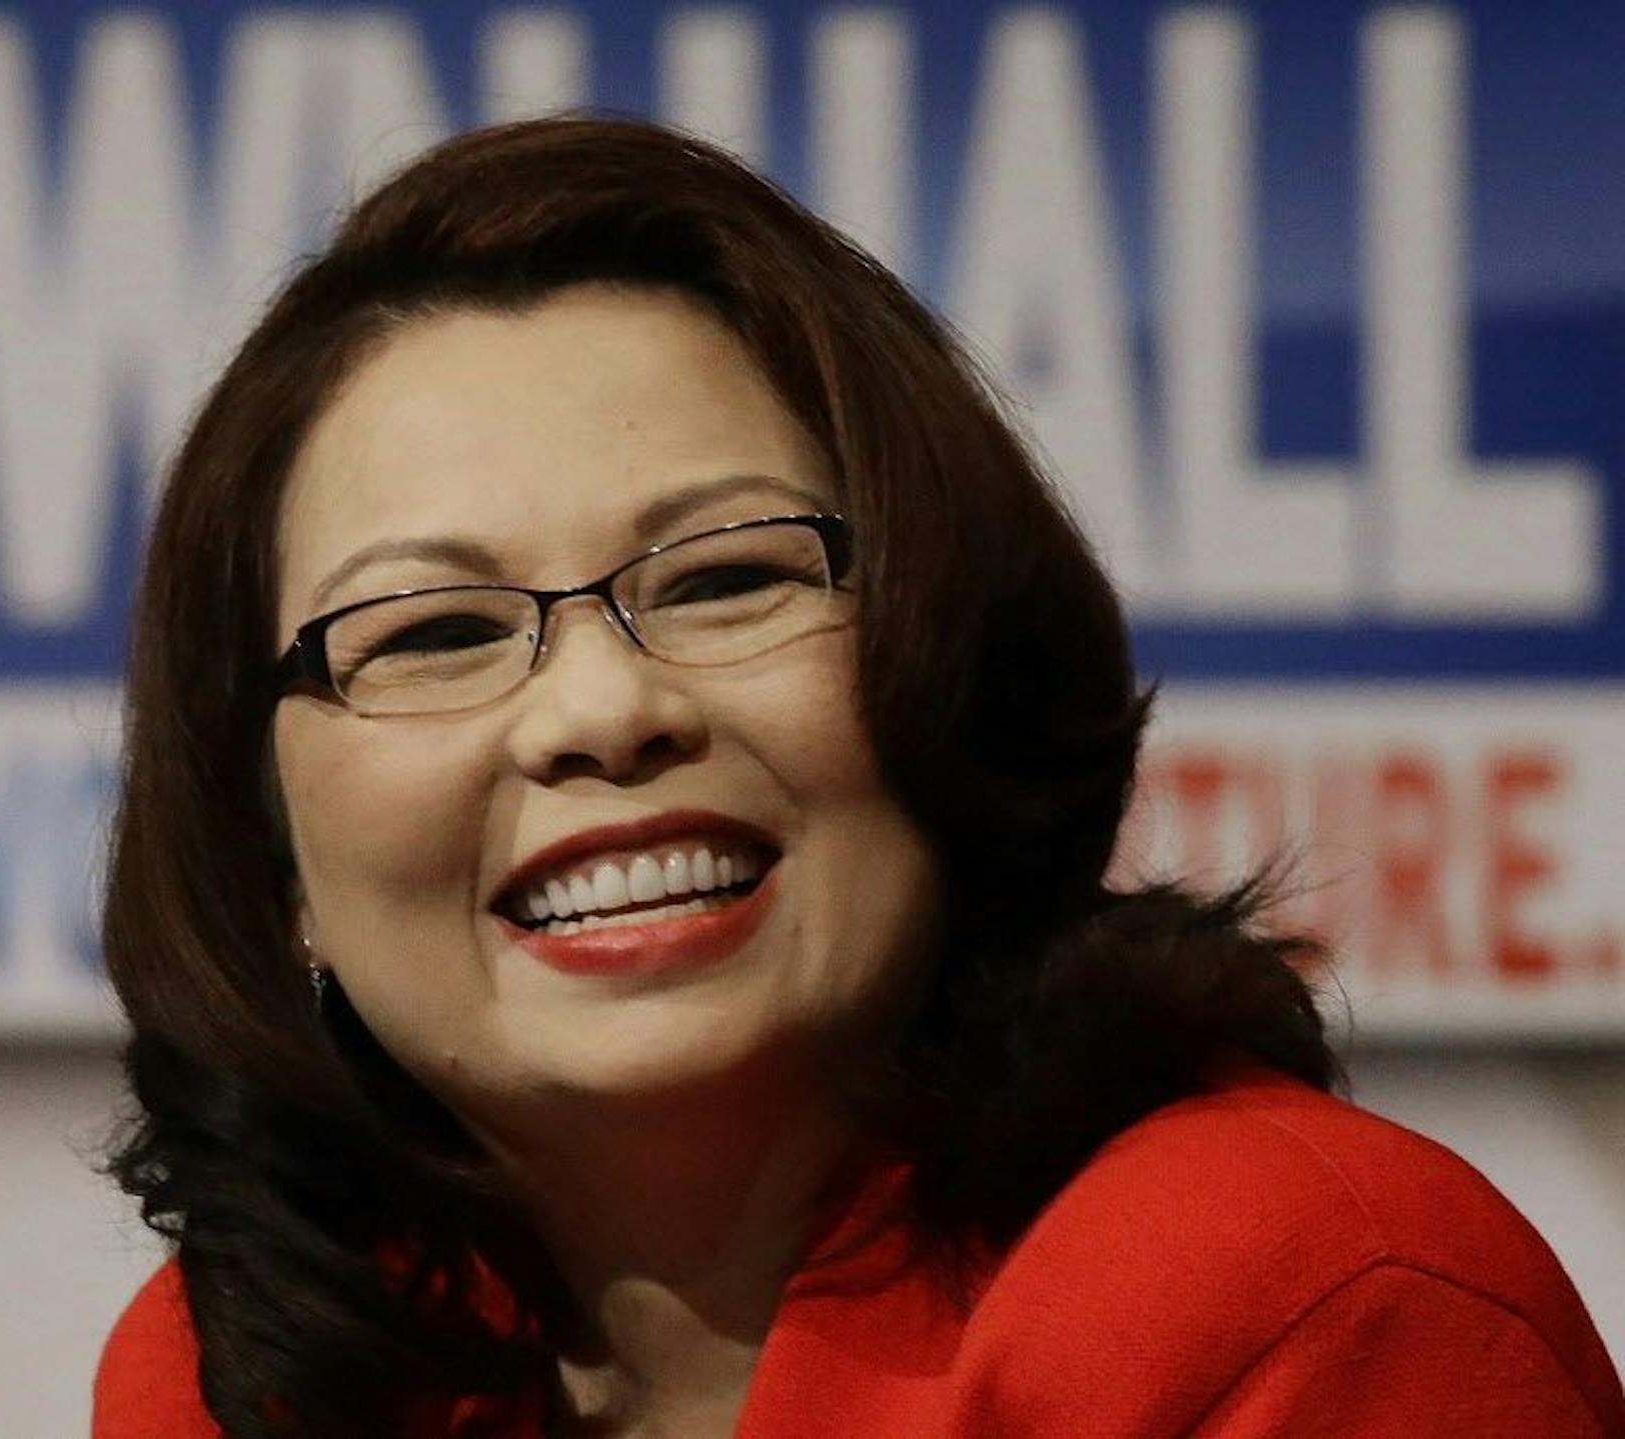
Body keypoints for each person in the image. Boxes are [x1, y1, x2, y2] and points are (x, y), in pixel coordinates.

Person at [91, 118, 1623, 1437]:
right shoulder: (252, 1376)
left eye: (726, 580)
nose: (604, 708)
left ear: (949, 667)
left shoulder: (1290, 1300)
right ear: (272, 856)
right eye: (432, 630)